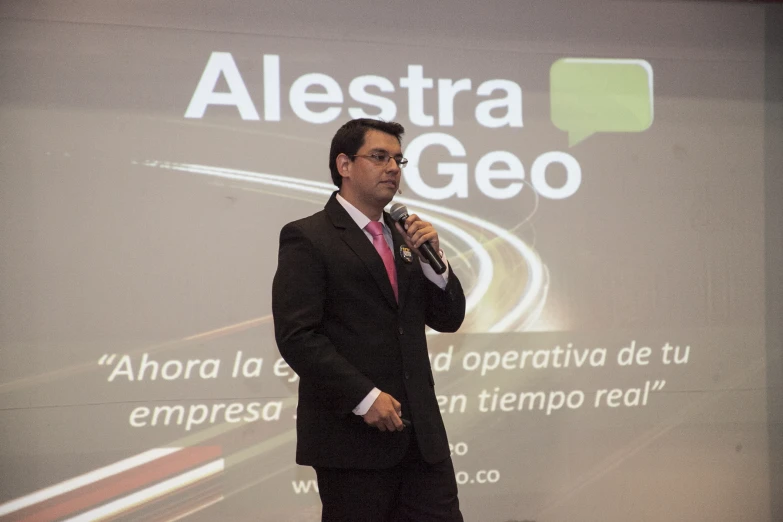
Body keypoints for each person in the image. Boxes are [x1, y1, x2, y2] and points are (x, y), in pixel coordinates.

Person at [272, 118, 466, 521]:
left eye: (398, 159)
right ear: (344, 164)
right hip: (352, 443)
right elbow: (297, 336)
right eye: (379, 157)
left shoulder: (406, 237)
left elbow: (449, 319)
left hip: (423, 443)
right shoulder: (308, 237)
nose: (393, 168)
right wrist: (364, 397)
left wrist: (436, 262)